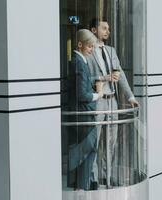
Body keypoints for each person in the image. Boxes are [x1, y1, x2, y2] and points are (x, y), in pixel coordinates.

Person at [87, 18, 139, 187]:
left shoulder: (110, 50)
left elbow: (121, 74)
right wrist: (104, 78)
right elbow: (85, 77)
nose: (108, 31)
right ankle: (93, 178)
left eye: (109, 28)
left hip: (112, 101)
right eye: (104, 28)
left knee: (111, 142)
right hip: (97, 101)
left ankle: (106, 175)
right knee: (94, 142)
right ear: (94, 30)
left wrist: (130, 96)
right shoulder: (88, 50)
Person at [66, 29, 103, 190]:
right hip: (83, 115)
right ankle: (83, 188)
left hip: (81, 115)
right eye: (90, 46)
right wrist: (98, 94)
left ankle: (81, 187)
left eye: (93, 47)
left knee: (82, 153)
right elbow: (82, 94)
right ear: (80, 44)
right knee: (87, 152)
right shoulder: (79, 63)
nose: (92, 50)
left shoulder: (77, 61)